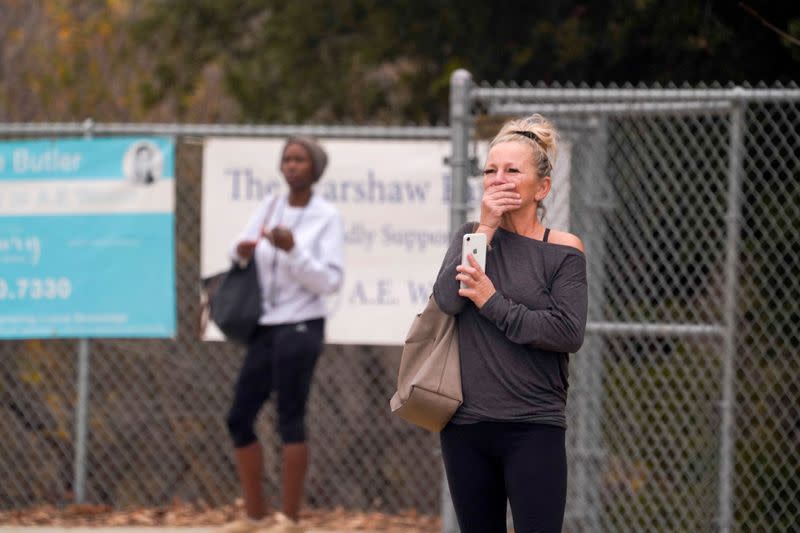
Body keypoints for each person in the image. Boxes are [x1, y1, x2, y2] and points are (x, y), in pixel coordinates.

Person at [433, 114, 588, 533]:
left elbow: (566, 333)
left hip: (533, 426)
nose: (498, 179)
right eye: (490, 170)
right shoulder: (472, 236)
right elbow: (447, 302)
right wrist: (484, 228)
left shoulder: (564, 250)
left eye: (512, 170)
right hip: (465, 427)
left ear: (542, 188)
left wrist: (492, 302)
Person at [219, 137, 344, 533]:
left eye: (300, 160)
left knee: (289, 417)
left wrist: (294, 251)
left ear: (315, 169)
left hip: (302, 324)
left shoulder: (326, 216)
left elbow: (329, 281)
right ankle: (255, 516)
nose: (291, 166)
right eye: (287, 159)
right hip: (265, 324)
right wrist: (240, 252)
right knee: (239, 417)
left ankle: (289, 519)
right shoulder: (270, 206)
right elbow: (240, 253)